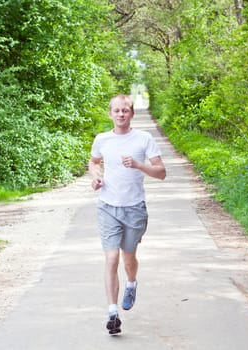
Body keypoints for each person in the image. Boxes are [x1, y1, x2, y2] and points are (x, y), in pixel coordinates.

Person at [88, 94, 166, 335]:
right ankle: (113, 313)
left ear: (132, 114)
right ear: (110, 113)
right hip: (107, 206)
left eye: (125, 110)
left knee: (128, 258)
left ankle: (131, 283)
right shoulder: (102, 139)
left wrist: (139, 165)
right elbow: (93, 162)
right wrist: (96, 177)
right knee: (111, 259)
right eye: (117, 110)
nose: (121, 114)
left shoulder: (143, 139)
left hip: (134, 208)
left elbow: (161, 172)